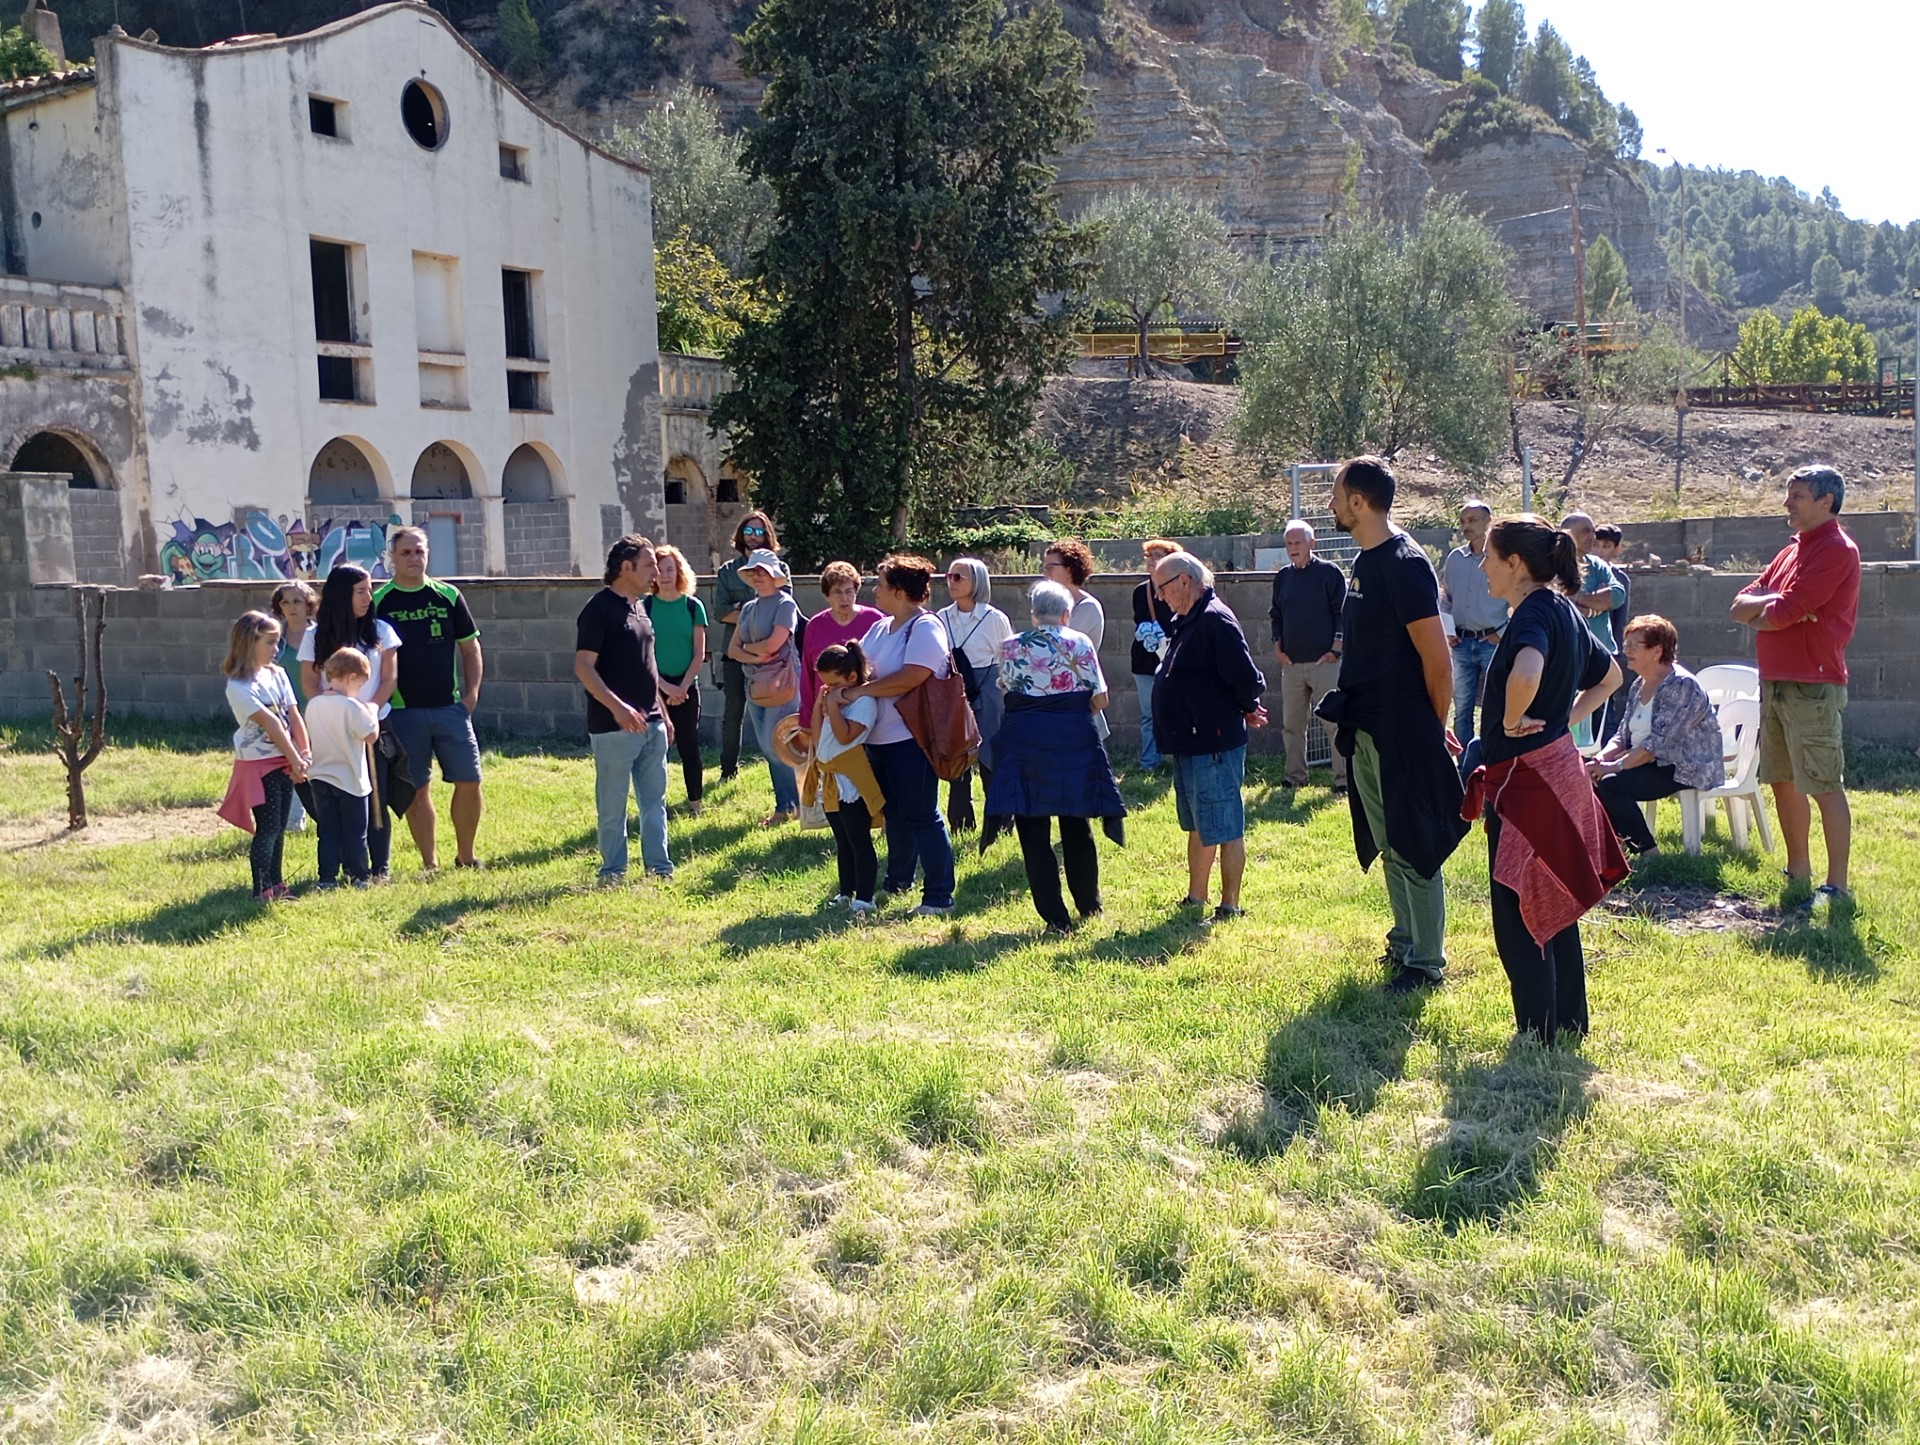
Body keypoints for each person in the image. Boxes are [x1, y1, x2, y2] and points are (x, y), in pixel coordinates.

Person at [1467, 515, 1627, 1043]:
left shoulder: (1535, 611)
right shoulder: (1562, 607)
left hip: (1529, 784)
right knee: (1555, 902)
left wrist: (1515, 721)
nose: (1483, 566)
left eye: (1490, 557)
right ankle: (1568, 1024)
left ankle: (1537, 1031)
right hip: (1555, 770)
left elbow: (1528, 670)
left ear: (1515, 565)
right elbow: (1610, 677)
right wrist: (1563, 723)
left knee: (1520, 909)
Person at [1317, 456, 1468, 993]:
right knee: (1388, 843)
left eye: (1336, 495)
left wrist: (1433, 725)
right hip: (1367, 728)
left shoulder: (1404, 562)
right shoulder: (1365, 560)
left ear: (1359, 502)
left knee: (1415, 843)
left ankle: (1426, 963)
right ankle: (1405, 942)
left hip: (1403, 730)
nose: (1331, 505)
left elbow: (1436, 657)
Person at [1731, 464, 1861, 909]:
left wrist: (1771, 611)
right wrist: (1772, 607)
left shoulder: (1836, 550)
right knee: (1781, 778)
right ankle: (1798, 869)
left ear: (1826, 502)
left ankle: (1837, 886)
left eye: (1798, 496)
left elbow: (1787, 611)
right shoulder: (1791, 550)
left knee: (1823, 782)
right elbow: (1741, 604)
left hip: (1814, 683)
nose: (1787, 503)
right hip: (1775, 680)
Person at [986, 580, 1127, 933]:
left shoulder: (1010, 647)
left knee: (1032, 827)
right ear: (1066, 613)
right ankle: (1088, 904)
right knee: (1076, 822)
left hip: (1026, 743)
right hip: (1072, 741)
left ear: (1033, 616)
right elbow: (1101, 699)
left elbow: (1007, 692)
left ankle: (1055, 917)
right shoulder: (1079, 642)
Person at [1150, 550, 1268, 922]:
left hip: (1213, 740)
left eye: (1162, 588)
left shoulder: (1216, 620)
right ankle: (1196, 897)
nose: (1159, 596)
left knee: (1226, 822)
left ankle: (1229, 904)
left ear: (1185, 581)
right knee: (1200, 823)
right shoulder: (1188, 618)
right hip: (1189, 741)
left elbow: (1244, 677)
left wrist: (1248, 705)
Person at [846, 555, 957, 916]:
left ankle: (939, 896)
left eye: (879, 584)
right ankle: (898, 880)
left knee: (922, 815)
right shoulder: (880, 627)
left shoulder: (926, 627)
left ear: (898, 590)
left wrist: (861, 692)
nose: (874, 590)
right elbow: (858, 667)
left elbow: (913, 675)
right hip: (878, 739)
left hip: (912, 739)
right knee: (894, 813)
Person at [375, 527, 484, 869]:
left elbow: (470, 647)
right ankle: (429, 864)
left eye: (419, 551)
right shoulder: (379, 601)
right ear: (392, 557)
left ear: (428, 554)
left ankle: (466, 857)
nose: (413, 558)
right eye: (405, 552)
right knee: (417, 789)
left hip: (450, 709)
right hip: (403, 712)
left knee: (470, 780)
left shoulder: (448, 596)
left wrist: (471, 696)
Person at [574, 535, 673, 882]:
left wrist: (663, 711)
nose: (657, 573)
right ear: (625, 567)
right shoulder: (598, 610)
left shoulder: (641, 609)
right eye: (649, 566)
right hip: (614, 727)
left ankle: (659, 869)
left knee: (654, 802)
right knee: (613, 806)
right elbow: (584, 667)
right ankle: (613, 871)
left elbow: (648, 666)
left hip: (653, 724)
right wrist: (618, 709)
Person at [1585, 614, 1725, 857]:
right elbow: (1622, 735)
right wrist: (1600, 760)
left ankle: (1648, 854)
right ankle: (1611, 852)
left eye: (1632, 645)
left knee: (1612, 784)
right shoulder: (1640, 684)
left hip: (1683, 766)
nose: (1625, 650)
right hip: (1648, 761)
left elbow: (1656, 745)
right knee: (1595, 778)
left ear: (1657, 650)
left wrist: (1613, 768)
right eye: (1625, 643)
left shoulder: (1681, 685)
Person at [301, 564, 403, 881]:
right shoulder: (314, 635)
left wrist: (369, 710)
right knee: (337, 800)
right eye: (361, 591)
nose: (368, 598)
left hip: (373, 726)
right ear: (342, 595)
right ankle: (344, 868)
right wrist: (335, 711)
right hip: (332, 731)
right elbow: (309, 682)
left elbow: (389, 678)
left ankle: (379, 868)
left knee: (375, 797)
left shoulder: (381, 632)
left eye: (369, 590)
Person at [215, 610, 309, 902]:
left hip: (285, 758)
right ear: (248, 643)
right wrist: (295, 759)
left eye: (278, 642)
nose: (276, 649)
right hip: (258, 765)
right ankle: (262, 889)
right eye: (270, 642)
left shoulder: (277, 674)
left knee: (280, 826)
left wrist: (303, 753)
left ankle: (278, 883)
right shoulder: (239, 686)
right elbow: (270, 724)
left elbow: (293, 715)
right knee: (267, 827)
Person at [1268, 519, 1348, 793]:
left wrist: (1336, 649)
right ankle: (1295, 777)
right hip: (1291, 664)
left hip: (1324, 663)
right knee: (1292, 725)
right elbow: (1275, 616)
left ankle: (1343, 780)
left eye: (1298, 543)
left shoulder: (1330, 573)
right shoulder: (1283, 577)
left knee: (1334, 724)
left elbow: (1343, 614)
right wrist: (1277, 648)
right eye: (1289, 543)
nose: (1293, 548)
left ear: (1311, 544)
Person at [727, 548, 803, 824]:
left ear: (775, 576)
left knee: (779, 747)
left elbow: (775, 645)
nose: (758, 576)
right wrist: (754, 653)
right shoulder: (748, 608)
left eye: (763, 571)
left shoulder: (785, 604)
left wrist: (750, 650)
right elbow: (732, 649)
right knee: (767, 746)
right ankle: (787, 805)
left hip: (782, 684)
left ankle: (792, 805)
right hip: (755, 685)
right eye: (753, 571)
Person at [809, 642, 886, 915]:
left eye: (832, 684)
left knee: (858, 840)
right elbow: (818, 738)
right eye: (824, 686)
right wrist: (821, 706)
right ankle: (845, 891)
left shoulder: (863, 702)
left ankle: (865, 897)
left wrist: (832, 705)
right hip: (831, 780)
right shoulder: (834, 700)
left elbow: (844, 737)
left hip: (852, 783)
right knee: (842, 839)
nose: (828, 690)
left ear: (852, 677)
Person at [938, 556, 1014, 831]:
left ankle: (1001, 823)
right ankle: (960, 823)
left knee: (991, 754)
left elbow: (1007, 659)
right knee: (957, 756)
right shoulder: (941, 618)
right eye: (949, 576)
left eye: (960, 577)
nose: (952, 582)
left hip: (989, 688)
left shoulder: (994, 618)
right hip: (954, 690)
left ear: (978, 582)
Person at [712, 511, 781, 780]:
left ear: (768, 536)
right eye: (749, 532)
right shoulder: (728, 572)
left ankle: (783, 768)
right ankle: (728, 770)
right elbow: (720, 612)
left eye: (759, 532)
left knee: (775, 714)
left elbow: (782, 610)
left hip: (773, 655)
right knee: (733, 713)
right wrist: (755, 610)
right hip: (736, 653)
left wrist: (741, 609)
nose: (754, 538)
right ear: (741, 536)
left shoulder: (780, 570)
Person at [303, 649, 380, 888]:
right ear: (351, 678)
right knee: (356, 832)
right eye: (361, 683)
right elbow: (371, 736)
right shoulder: (352, 706)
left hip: (319, 778)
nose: (361, 689)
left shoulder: (314, 704)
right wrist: (373, 711)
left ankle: (326, 878)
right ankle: (359, 875)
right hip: (350, 781)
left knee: (327, 831)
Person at [1439, 499, 1508, 748]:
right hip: (1460, 643)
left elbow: (1517, 597)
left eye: (1472, 520)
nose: (1466, 526)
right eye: (1463, 521)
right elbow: (1445, 597)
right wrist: (1447, 631)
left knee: (1496, 704)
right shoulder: (1455, 559)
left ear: (1489, 521)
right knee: (1462, 707)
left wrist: (1502, 632)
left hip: (1493, 643)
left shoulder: (1504, 558)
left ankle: (1492, 758)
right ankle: (1464, 768)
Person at [647, 544, 708, 816]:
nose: (665, 574)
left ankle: (695, 803)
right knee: (654, 750)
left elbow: (699, 653)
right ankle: (654, 807)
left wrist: (682, 687)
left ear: (679, 571)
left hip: (686, 689)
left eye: (670, 569)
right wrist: (664, 686)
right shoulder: (645, 607)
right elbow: (642, 654)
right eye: (659, 569)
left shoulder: (694, 606)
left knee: (689, 747)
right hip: (654, 689)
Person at [1558, 512, 1626, 749]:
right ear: (1567, 534)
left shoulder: (1597, 565)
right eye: (1586, 530)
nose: (1592, 536)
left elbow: (1617, 595)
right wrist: (1596, 603)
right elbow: (1557, 600)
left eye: (1593, 530)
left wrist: (1581, 600)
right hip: (1567, 657)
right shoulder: (1553, 565)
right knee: (1570, 717)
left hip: (1600, 653)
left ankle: (1600, 769)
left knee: (1603, 718)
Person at [800, 561, 884, 731]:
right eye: (837, 592)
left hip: (865, 712)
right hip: (825, 712)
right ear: (827, 595)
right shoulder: (815, 625)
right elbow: (807, 674)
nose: (844, 598)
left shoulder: (876, 620)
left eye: (849, 591)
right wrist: (807, 720)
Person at [1042, 537, 1107, 738]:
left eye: (1050, 567)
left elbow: (1057, 648)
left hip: (1078, 703)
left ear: (1069, 570)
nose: (1045, 574)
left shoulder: (1087, 607)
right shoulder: (1052, 606)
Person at [269, 580, 318, 832]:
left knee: (320, 765)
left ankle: (324, 814)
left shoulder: (322, 635)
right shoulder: (273, 641)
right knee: (292, 763)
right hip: (287, 716)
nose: (291, 607)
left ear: (308, 604)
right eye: (285, 602)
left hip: (320, 712)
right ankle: (293, 821)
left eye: (297, 601)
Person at [1130, 539, 1179, 769]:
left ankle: (1180, 756)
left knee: (1176, 710)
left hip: (1175, 658)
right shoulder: (1141, 591)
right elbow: (1138, 619)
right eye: (1148, 556)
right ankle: (1150, 761)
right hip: (1144, 659)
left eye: (1157, 556)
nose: (1151, 561)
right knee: (1149, 713)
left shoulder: (1179, 586)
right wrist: (1145, 632)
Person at [1593, 523, 1633, 739]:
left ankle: (1604, 752)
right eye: (1595, 544)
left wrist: (1617, 655)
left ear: (1617, 549)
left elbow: (1620, 622)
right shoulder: (1581, 574)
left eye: (1606, 546)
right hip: (1580, 651)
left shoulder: (1619, 580)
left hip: (1607, 651)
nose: (1599, 551)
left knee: (1605, 706)